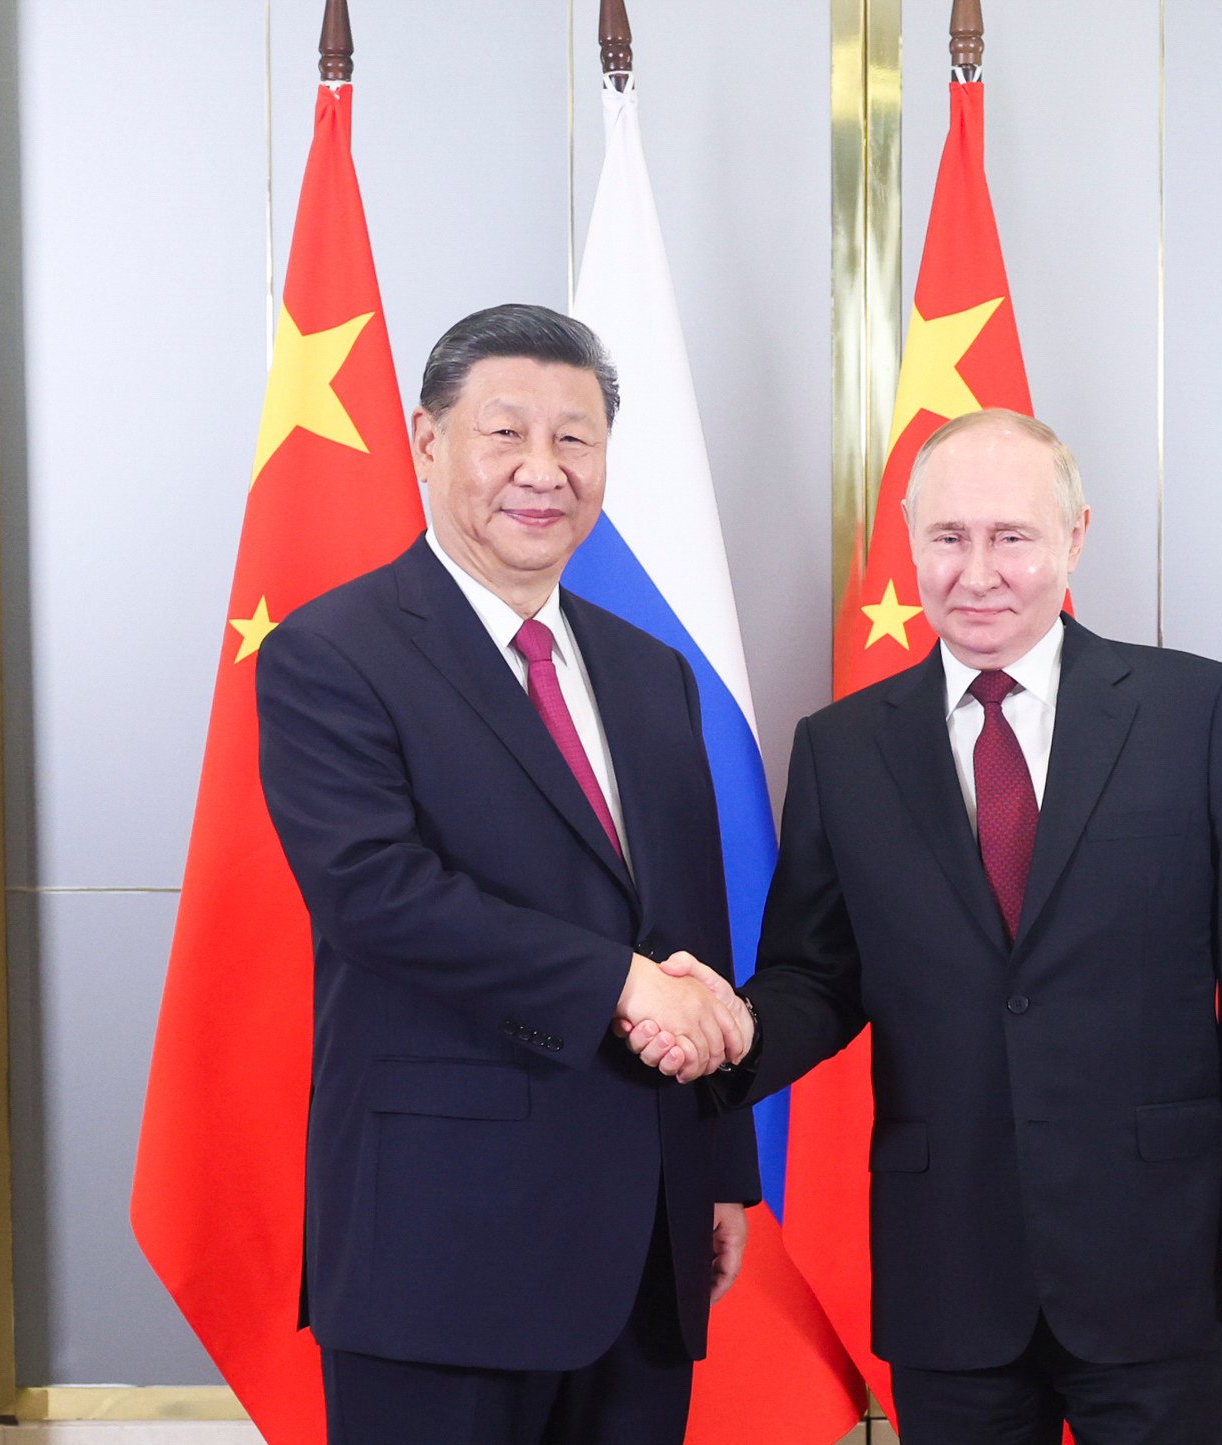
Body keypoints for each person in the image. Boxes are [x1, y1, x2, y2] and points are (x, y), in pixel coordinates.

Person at [630, 408, 1222, 1444]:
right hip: (946, 1265)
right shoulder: (841, 748)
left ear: (1074, 538)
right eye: (948, 538)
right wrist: (716, 1031)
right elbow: (815, 979)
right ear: (911, 544)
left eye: (1011, 537)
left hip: (1159, 1257)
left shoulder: (1198, 713)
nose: (977, 571)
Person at [256, 303, 759, 1445]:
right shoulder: (334, 655)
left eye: (575, 439)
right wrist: (625, 986)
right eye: (506, 434)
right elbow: (378, 894)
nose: (544, 470)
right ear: (428, 443)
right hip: (441, 1246)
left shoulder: (648, 673)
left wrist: (717, 1162)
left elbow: (692, 932)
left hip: (644, 1237)